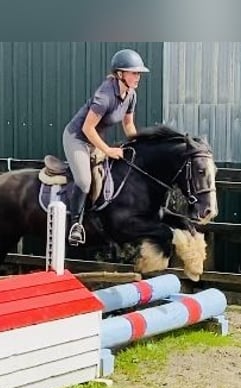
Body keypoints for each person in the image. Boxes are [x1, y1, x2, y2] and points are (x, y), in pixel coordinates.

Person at [62, 48, 149, 245]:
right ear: (120, 74)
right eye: (134, 72)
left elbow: (128, 124)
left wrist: (139, 146)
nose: (138, 77)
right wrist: (108, 150)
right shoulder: (105, 95)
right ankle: (75, 225)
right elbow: (87, 127)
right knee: (84, 181)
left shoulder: (131, 94)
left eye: (138, 73)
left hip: (94, 139)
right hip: (77, 137)